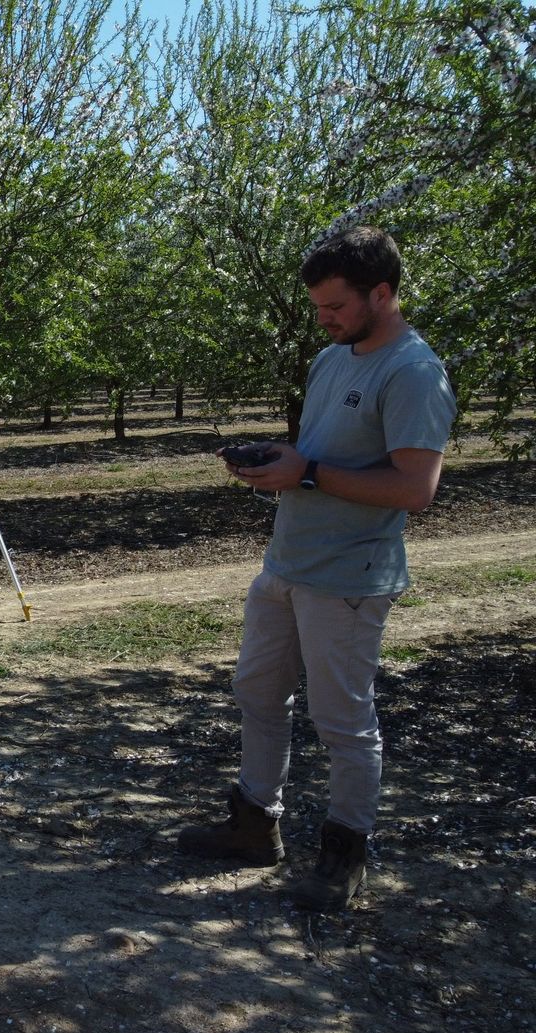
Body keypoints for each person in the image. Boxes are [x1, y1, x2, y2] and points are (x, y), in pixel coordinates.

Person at [177, 225, 457, 912]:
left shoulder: (414, 374)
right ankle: (254, 825)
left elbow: (414, 490)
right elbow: (319, 452)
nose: (323, 319)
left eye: (335, 306)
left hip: (350, 577)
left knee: (343, 721)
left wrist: (306, 476)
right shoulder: (332, 359)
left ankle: (344, 854)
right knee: (257, 693)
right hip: (289, 563)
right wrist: (279, 458)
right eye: (317, 307)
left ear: (383, 293)